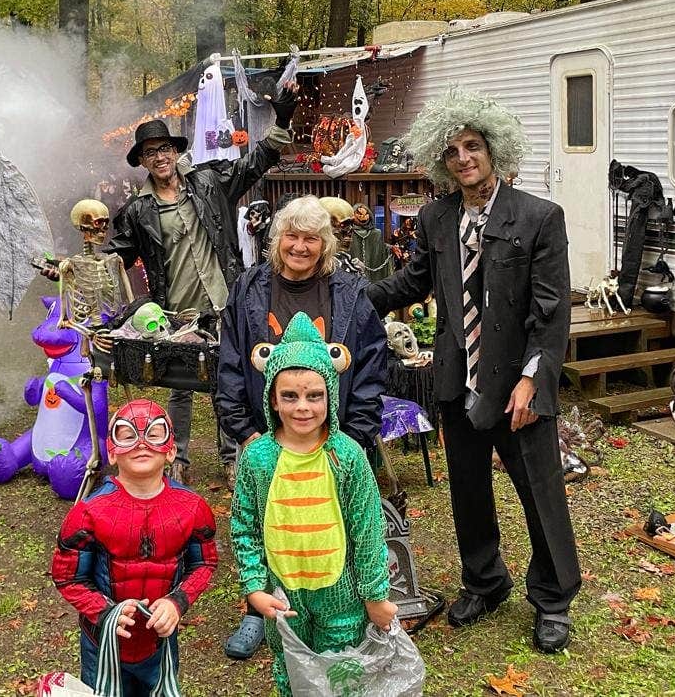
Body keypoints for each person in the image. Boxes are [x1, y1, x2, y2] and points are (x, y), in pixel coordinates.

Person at [368, 86, 580, 654]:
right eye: (452, 151)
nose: (463, 158)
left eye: (472, 146)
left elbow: (551, 310)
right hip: (455, 381)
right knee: (468, 491)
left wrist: (533, 379)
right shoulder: (437, 218)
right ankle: (485, 582)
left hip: (515, 383)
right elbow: (413, 282)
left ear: (493, 150)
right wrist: (349, 295)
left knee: (539, 492)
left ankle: (553, 598)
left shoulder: (538, 216)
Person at [215, 194, 388, 660]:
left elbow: (371, 366)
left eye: (311, 238)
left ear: (325, 244)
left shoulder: (349, 294)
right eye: (291, 235)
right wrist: (246, 431)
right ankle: (259, 610)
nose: (300, 246)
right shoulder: (249, 289)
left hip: (331, 440)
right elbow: (231, 361)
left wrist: (353, 436)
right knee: (266, 522)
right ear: (277, 240)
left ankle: (345, 609)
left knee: (334, 525)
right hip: (267, 437)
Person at [106, 86, 297, 486]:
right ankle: (178, 458)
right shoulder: (138, 210)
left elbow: (255, 163)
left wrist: (281, 119)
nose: (159, 157)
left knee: (226, 381)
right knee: (180, 387)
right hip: (178, 312)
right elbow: (115, 256)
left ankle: (231, 458)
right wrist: (76, 268)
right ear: (142, 161)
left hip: (224, 300)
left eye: (164, 149)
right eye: (150, 152)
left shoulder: (209, 182)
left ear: (174, 152)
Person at [230, 312, 396, 697]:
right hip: (282, 598)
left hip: (342, 597)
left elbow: (368, 531)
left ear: (330, 396)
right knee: (291, 673)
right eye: (290, 396)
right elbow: (244, 527)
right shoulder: (258, 459)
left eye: (314, 395)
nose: (302, 407)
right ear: (273, 398)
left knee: (342, 675)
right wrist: (254, 586)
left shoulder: (346, 456)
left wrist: (375, 595)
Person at [51, 398, 218, 696]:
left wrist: (177, 602)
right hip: (102, 644)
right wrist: (103, 612)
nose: (141, 443)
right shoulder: (88, 512)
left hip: (160, 641)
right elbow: (67, 576)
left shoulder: (193, 507)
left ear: (171, 450)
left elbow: (204, 562)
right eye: (128, 435)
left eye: (154, 434)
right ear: (112, 452)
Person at [351, 202, 393, 279]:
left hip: (373, 275)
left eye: (365, 214)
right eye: (359, 214)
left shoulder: (376, 233)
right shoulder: (348, 233)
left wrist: (391, 248)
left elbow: (381, 248)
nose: (362, 217)